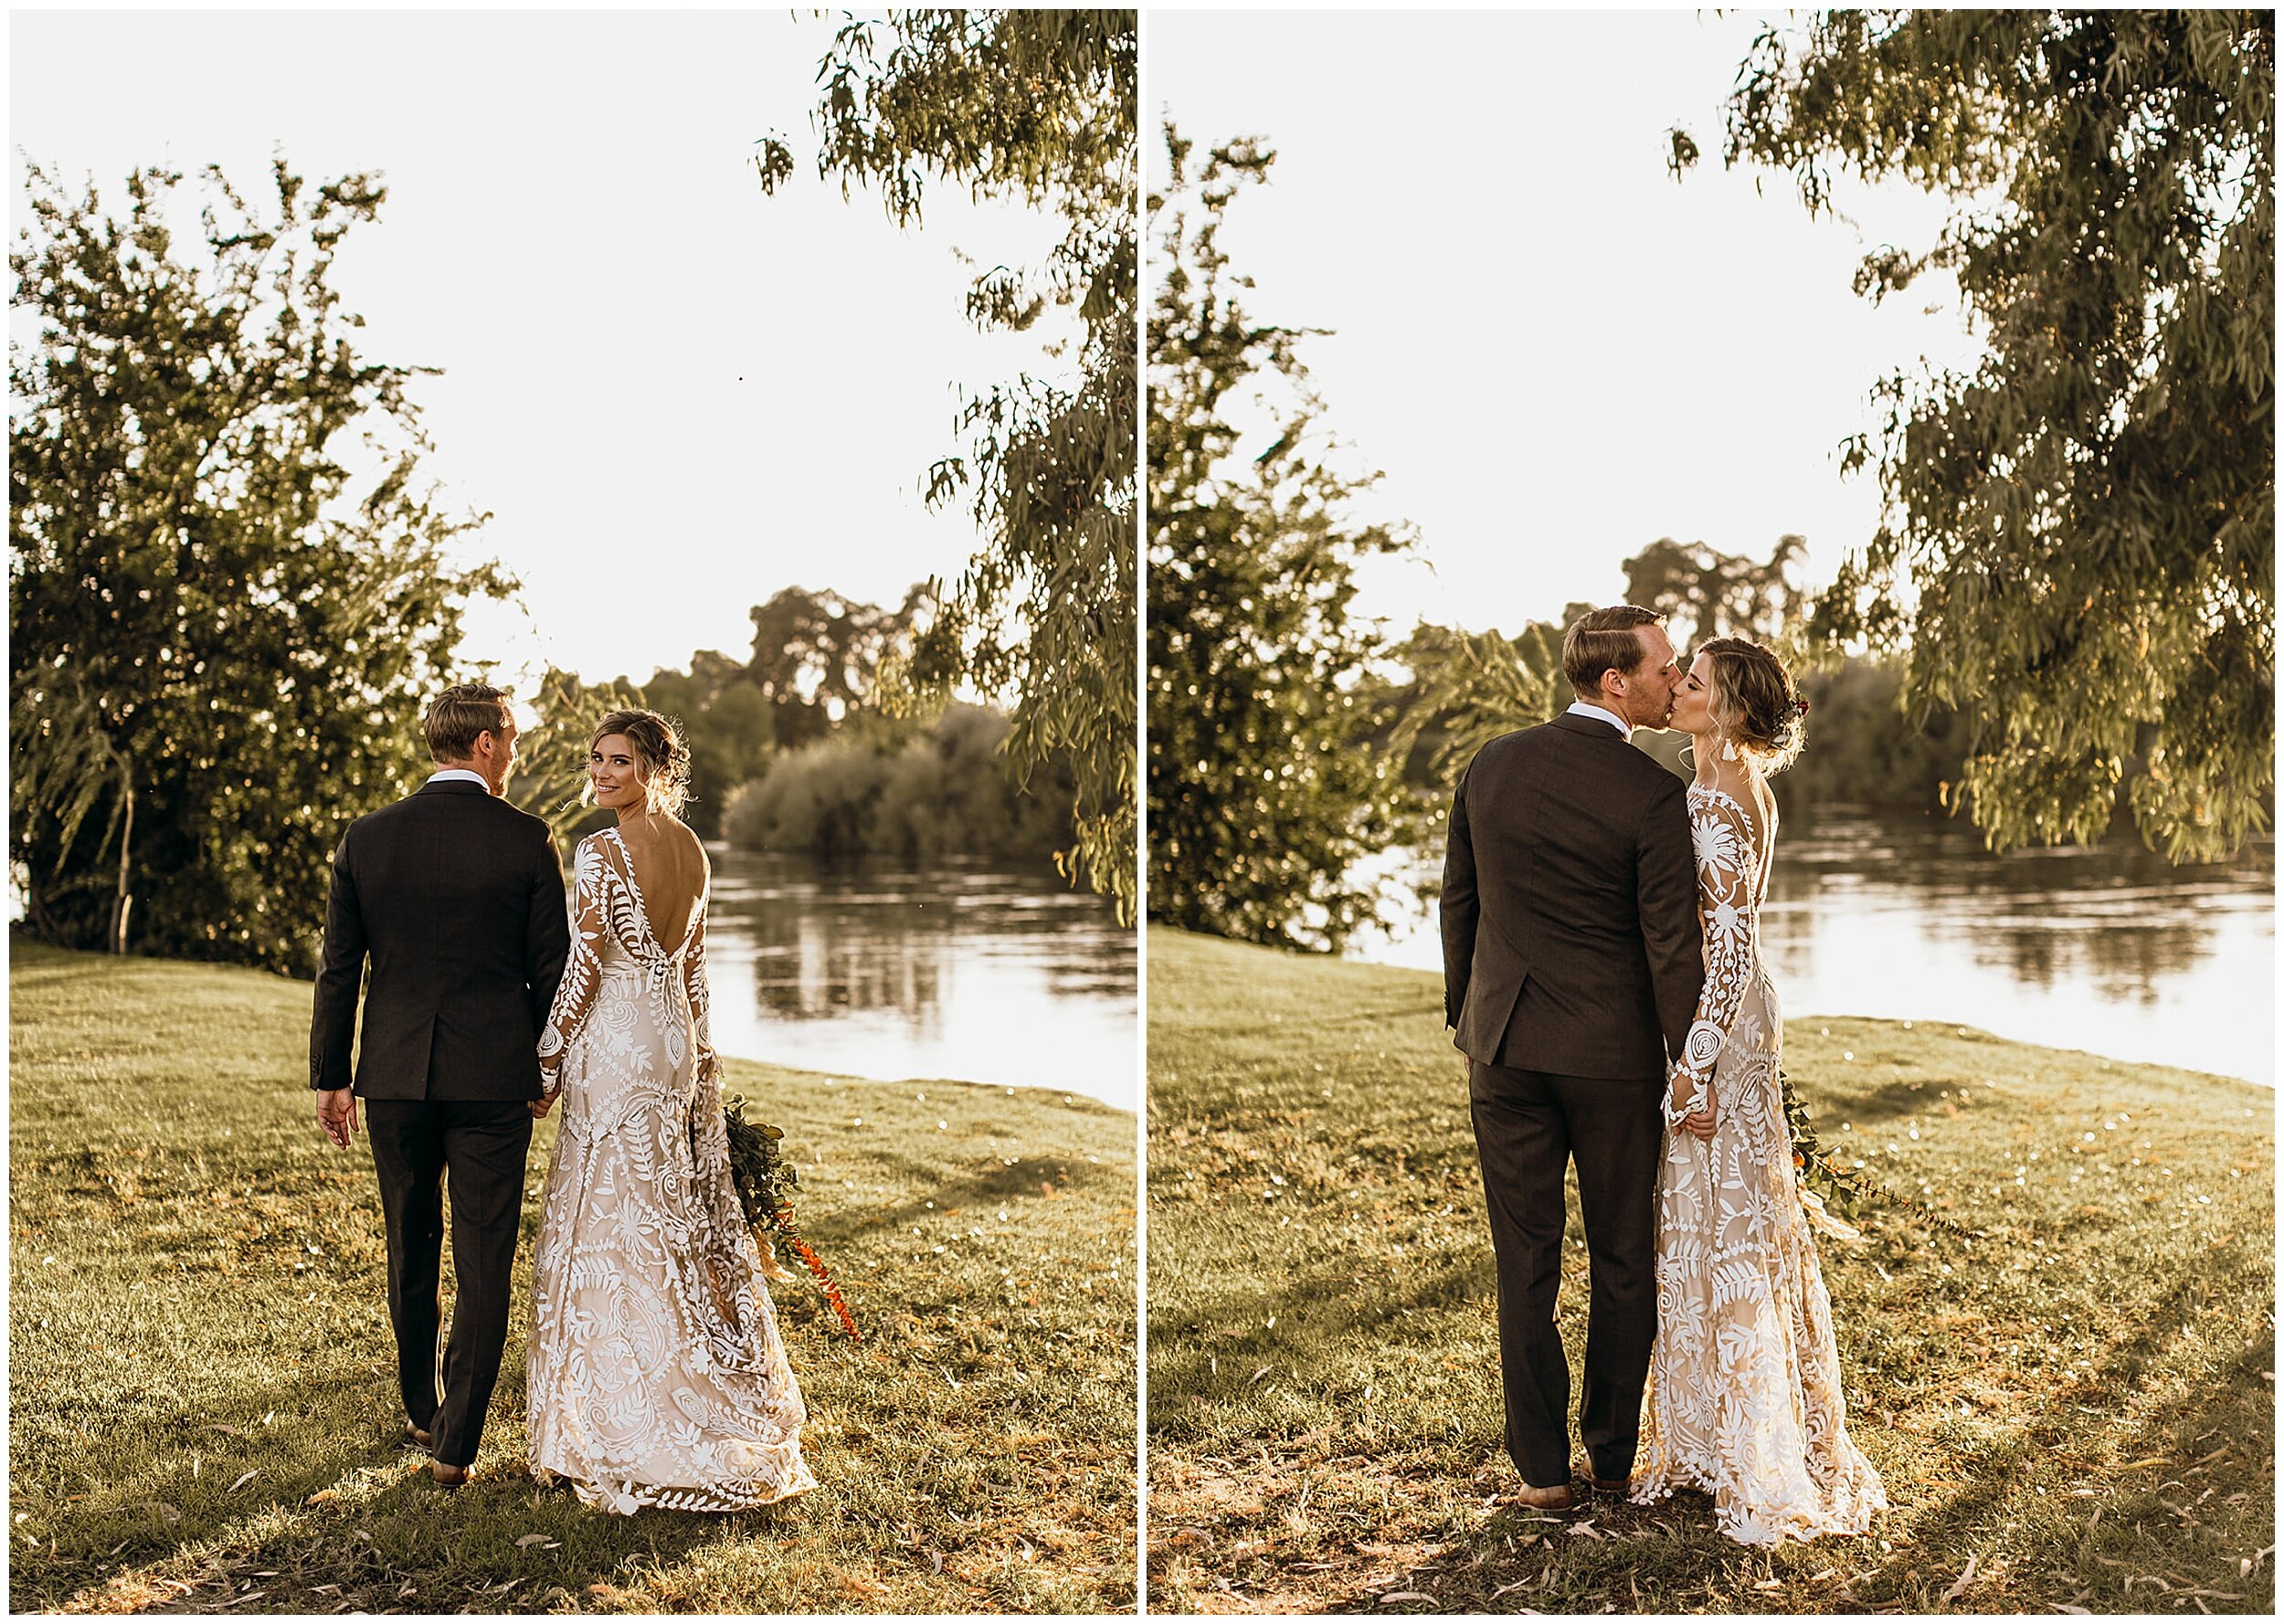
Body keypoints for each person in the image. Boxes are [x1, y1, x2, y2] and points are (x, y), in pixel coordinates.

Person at [1440, 605, 1706, 1511]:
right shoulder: (1652, 793)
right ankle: (1612, 1458)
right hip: (1610, 1057)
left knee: (1525, 1260)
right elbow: (1672, 947)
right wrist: (1688, 1058)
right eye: (1665, 667)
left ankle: (1544, 1476)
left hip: (1504, 1048)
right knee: (1624, 1255)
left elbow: (1458, 903)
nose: (1676, 679)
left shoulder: (1491, 764)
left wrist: (1467, 1017)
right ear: (1613, 682)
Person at [523, 709, 816, 1513]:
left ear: (654, 766)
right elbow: (693, 972)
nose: (602, 773)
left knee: (610, 1215)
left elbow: (585, 969)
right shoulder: (693, 851)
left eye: (618, 761)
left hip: (618, 1043)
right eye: (596, 760)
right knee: (666, 1210)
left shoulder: (600, 852)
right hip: (674, 1044)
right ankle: (686, 1376)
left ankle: (619, 1413)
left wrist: (545, 1058)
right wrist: (704, 1053)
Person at [1631, 636, 1887, 1545]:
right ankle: (1717, 1437)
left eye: (1692, 681)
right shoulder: (1731, 784)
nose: (1678, 687)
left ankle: (1746, 1447)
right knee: (1721, 1218)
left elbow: (1728, 943)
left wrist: (1695, 1062)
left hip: (1722, 1018)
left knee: (1727, 1221)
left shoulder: (1717, 795)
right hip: (1729, 1011)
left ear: (1732, 710)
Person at [309, 682, 570, 1488]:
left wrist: (333, 1077)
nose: (516, 752)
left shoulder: (367, 837)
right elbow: (551, 972)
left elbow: (339, 968)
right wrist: (544, 1065)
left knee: (409, 1239)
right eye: (515, 738)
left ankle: (421, 1406)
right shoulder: (527, 839)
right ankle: (456, 1444)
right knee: (485, 1255)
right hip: (493, 1079)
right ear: (487, 743)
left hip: (391, 1076)